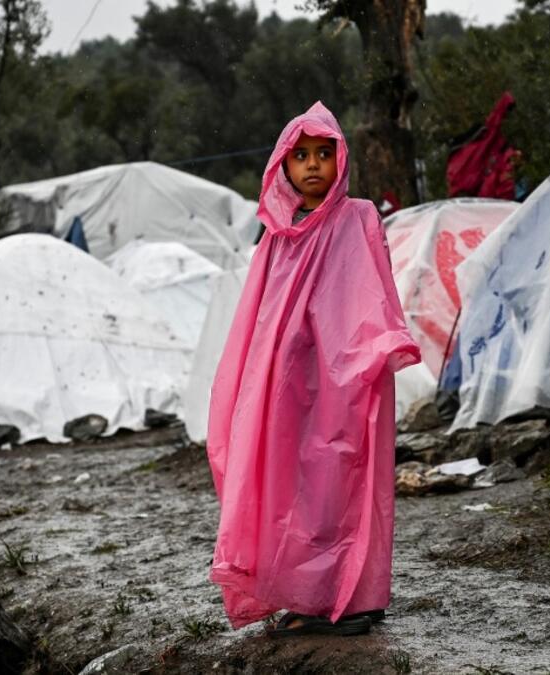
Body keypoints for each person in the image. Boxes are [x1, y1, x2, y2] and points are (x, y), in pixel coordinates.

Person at [206, 102, 421, 637]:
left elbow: (370, 293)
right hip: (287, 384)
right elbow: (259, 318)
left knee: (339, 482)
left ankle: (354, 599)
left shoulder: (358, 218)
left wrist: (368, 352)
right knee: (290, 484)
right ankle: (308, 594)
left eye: (324, 153)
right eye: (300, 156)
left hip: (344, 376)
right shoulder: (276, 236)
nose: (312, 166)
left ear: (340, 159)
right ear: (282, 165)